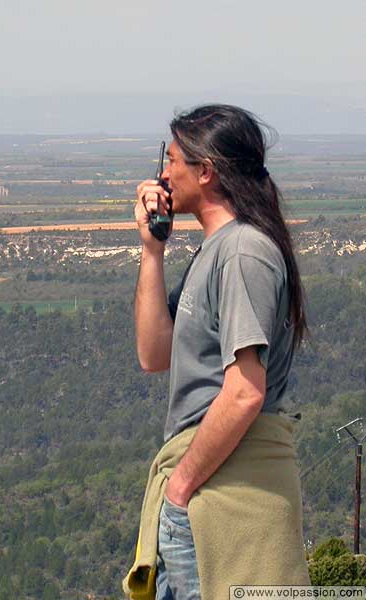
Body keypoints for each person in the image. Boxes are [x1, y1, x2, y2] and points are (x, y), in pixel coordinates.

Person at [123, 104, 310, 600]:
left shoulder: (243, 252)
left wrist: (181, 488)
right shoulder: (215, 251)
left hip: (216, 497)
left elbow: (246, 392)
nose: (162, 173)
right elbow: (153, 354)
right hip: (207, 491)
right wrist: (152, 249)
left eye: (173, 160)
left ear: (205, 172)